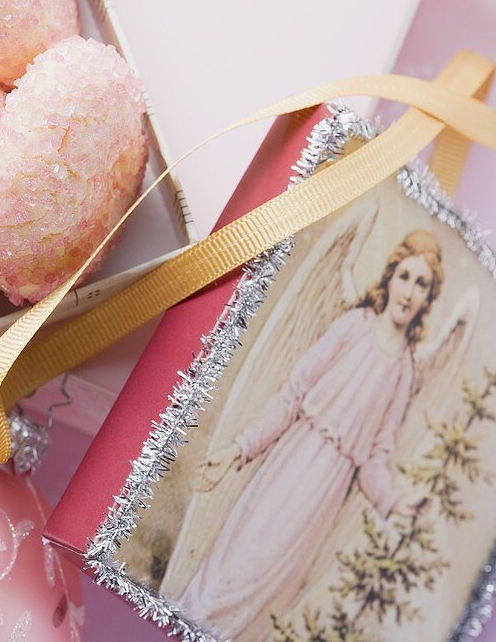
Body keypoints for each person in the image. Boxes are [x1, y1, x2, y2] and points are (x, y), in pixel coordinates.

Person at [179, 230, 443, 639]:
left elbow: (377, 455)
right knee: (236, 563)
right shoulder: (354, 326)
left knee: (267, 596)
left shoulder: (404, 370)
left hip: (324, 497)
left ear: (428, 299)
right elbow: (293, 393)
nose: (409, 291)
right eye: (405, 276)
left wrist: (394, 499)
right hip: (290, 465)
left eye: (421, 284)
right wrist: (238, 449)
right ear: (390, 277)